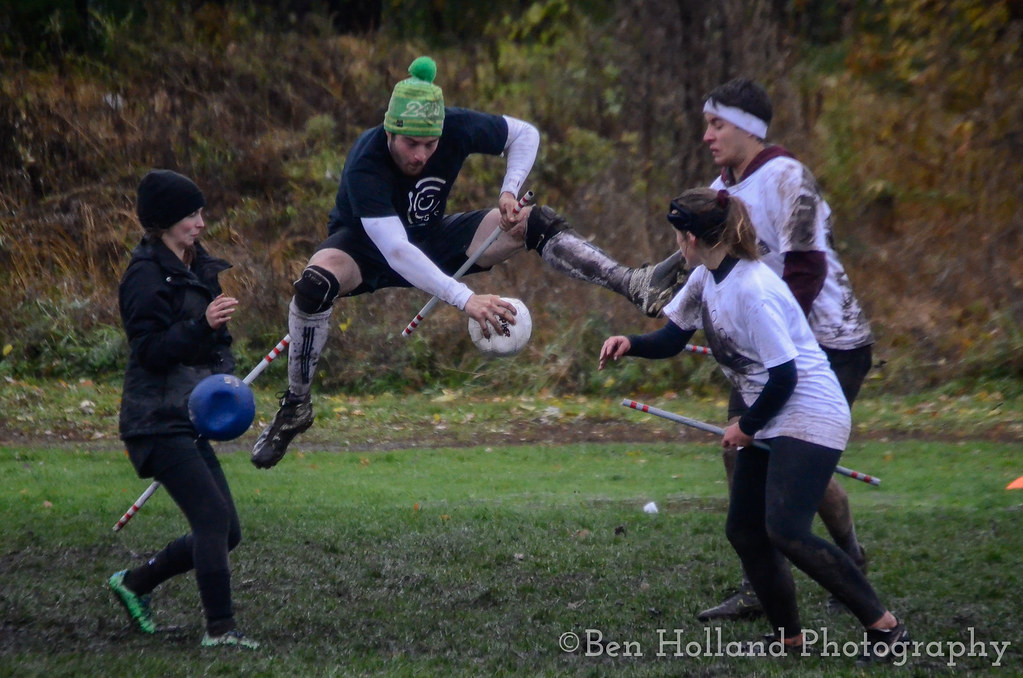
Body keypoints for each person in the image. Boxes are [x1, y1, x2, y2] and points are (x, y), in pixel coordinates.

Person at [250, 56, 684, 469]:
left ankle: (634, 282)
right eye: (410, 144)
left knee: (531, 222)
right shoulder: (366, 161)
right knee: (313, 285)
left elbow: (525, 134)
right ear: (389, 131)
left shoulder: (455, 125)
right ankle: (296, 405)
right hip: (364, 248)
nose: (420, 156)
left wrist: (510, 190)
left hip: (433, 237)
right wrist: (466, 300)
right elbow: (396, 251)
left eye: (430, 144)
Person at [599, 188, 908, 664]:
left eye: (676, 235)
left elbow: (785, 373)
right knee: (745, 530)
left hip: (809, 411)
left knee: (786, 528)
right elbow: (672, 336)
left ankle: (885, 629)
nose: (676, 243)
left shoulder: (753, 289)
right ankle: (789, 639)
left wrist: (745, 427)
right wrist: (630, 343)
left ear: (689, 237)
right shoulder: (707, 276)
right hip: (771, 411)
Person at [695, 77, 875, 621]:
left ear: (748, 127)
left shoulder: (788, 177)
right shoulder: (721, 190)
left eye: (716, 124)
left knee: (795, 474)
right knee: (745, 454)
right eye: (706, 124)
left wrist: (766, 333)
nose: (706, 136)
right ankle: (762, 582)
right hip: (768, 352)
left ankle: (847, 559)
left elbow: (806, 267)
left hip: (829, 345)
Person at [108, 169, 258, 649]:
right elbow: (149, 350)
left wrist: (225, 383)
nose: (200, 221)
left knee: (227, 531)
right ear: (167, 219)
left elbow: (215, 342)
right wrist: (202, 323)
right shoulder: (145, 275)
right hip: (154, 421)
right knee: (212, 521)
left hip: (189, 417)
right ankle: (221, 630)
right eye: (192, 214)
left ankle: (134, 583)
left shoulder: (197, 267)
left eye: (200, 212)